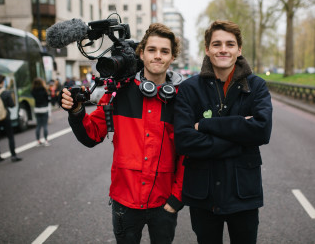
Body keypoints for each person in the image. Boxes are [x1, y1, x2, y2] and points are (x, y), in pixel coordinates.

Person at [60, 23, 185, 244]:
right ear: (142, 53)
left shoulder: (182, 100)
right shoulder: (118, 93)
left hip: (164, 203)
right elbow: (92, 135)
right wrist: (77, 111)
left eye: (164, 51)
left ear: (172, 57)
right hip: (124, 204)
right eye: (152, 50)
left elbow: (187, 155)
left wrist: (176, 198)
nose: (158, 56)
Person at [174, 20, 273, 244]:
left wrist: (206, 126)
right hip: (203, 193)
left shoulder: (256, 86)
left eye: (230, 44)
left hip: (243, 193)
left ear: (239, 50)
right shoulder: (189, 88)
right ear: (207, 49)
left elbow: (262, 131)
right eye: (217, 44)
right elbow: (184, 141)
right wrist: (240, 138)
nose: (223, 49)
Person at [0, 75, 22, 162]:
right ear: (3, 82)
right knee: (10, 136)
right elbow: (12, 105)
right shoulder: (6, 92)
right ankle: (13, 156)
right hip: (4, 116)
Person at [31, 78, 50, 146]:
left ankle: (38, 141)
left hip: (37, 109)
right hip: (44, 108)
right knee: (45, 125)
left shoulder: (33, 90)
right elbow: (48, 99)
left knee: (38, 126)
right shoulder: (44, 90)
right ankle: (46, 141)